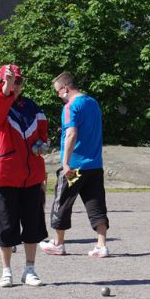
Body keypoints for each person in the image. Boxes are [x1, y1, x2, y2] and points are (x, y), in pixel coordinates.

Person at [0, 64, 49, 288]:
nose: (15, 85)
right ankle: (6, 271)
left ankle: (30, 269)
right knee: (6, 226)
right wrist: (6, 89)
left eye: (18, 81)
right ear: (2, 83)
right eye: (10, 81)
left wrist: (43, 144)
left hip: (32, 175)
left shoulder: (34, 108)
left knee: (32, 225)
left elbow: (44, 133)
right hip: (5, 175)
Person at [40, 72, 110, 258]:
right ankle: (101, 245)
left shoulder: (71, 107)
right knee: (96, 204)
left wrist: (65, 163)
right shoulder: (93, 103)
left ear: (65, 88)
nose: (58, 96)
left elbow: (71, 134)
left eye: (57, 92)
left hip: (75, 167)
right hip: (95, 165)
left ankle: (58, 243)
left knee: (61, 202)